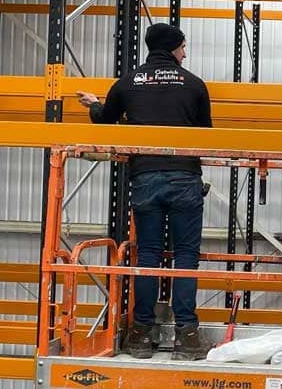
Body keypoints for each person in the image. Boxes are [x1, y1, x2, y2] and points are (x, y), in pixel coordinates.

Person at [77, 23, 212, 361]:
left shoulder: (128, 83)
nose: (185, 54)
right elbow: (207, 134)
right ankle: (187, 337)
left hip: (146, 178)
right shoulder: (194, 84)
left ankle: (140, 336)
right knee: (185, 257)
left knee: (148, 255)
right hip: (184, 178)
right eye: (183, 47)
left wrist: (94, 105)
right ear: (174, 48)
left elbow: (105, 120)